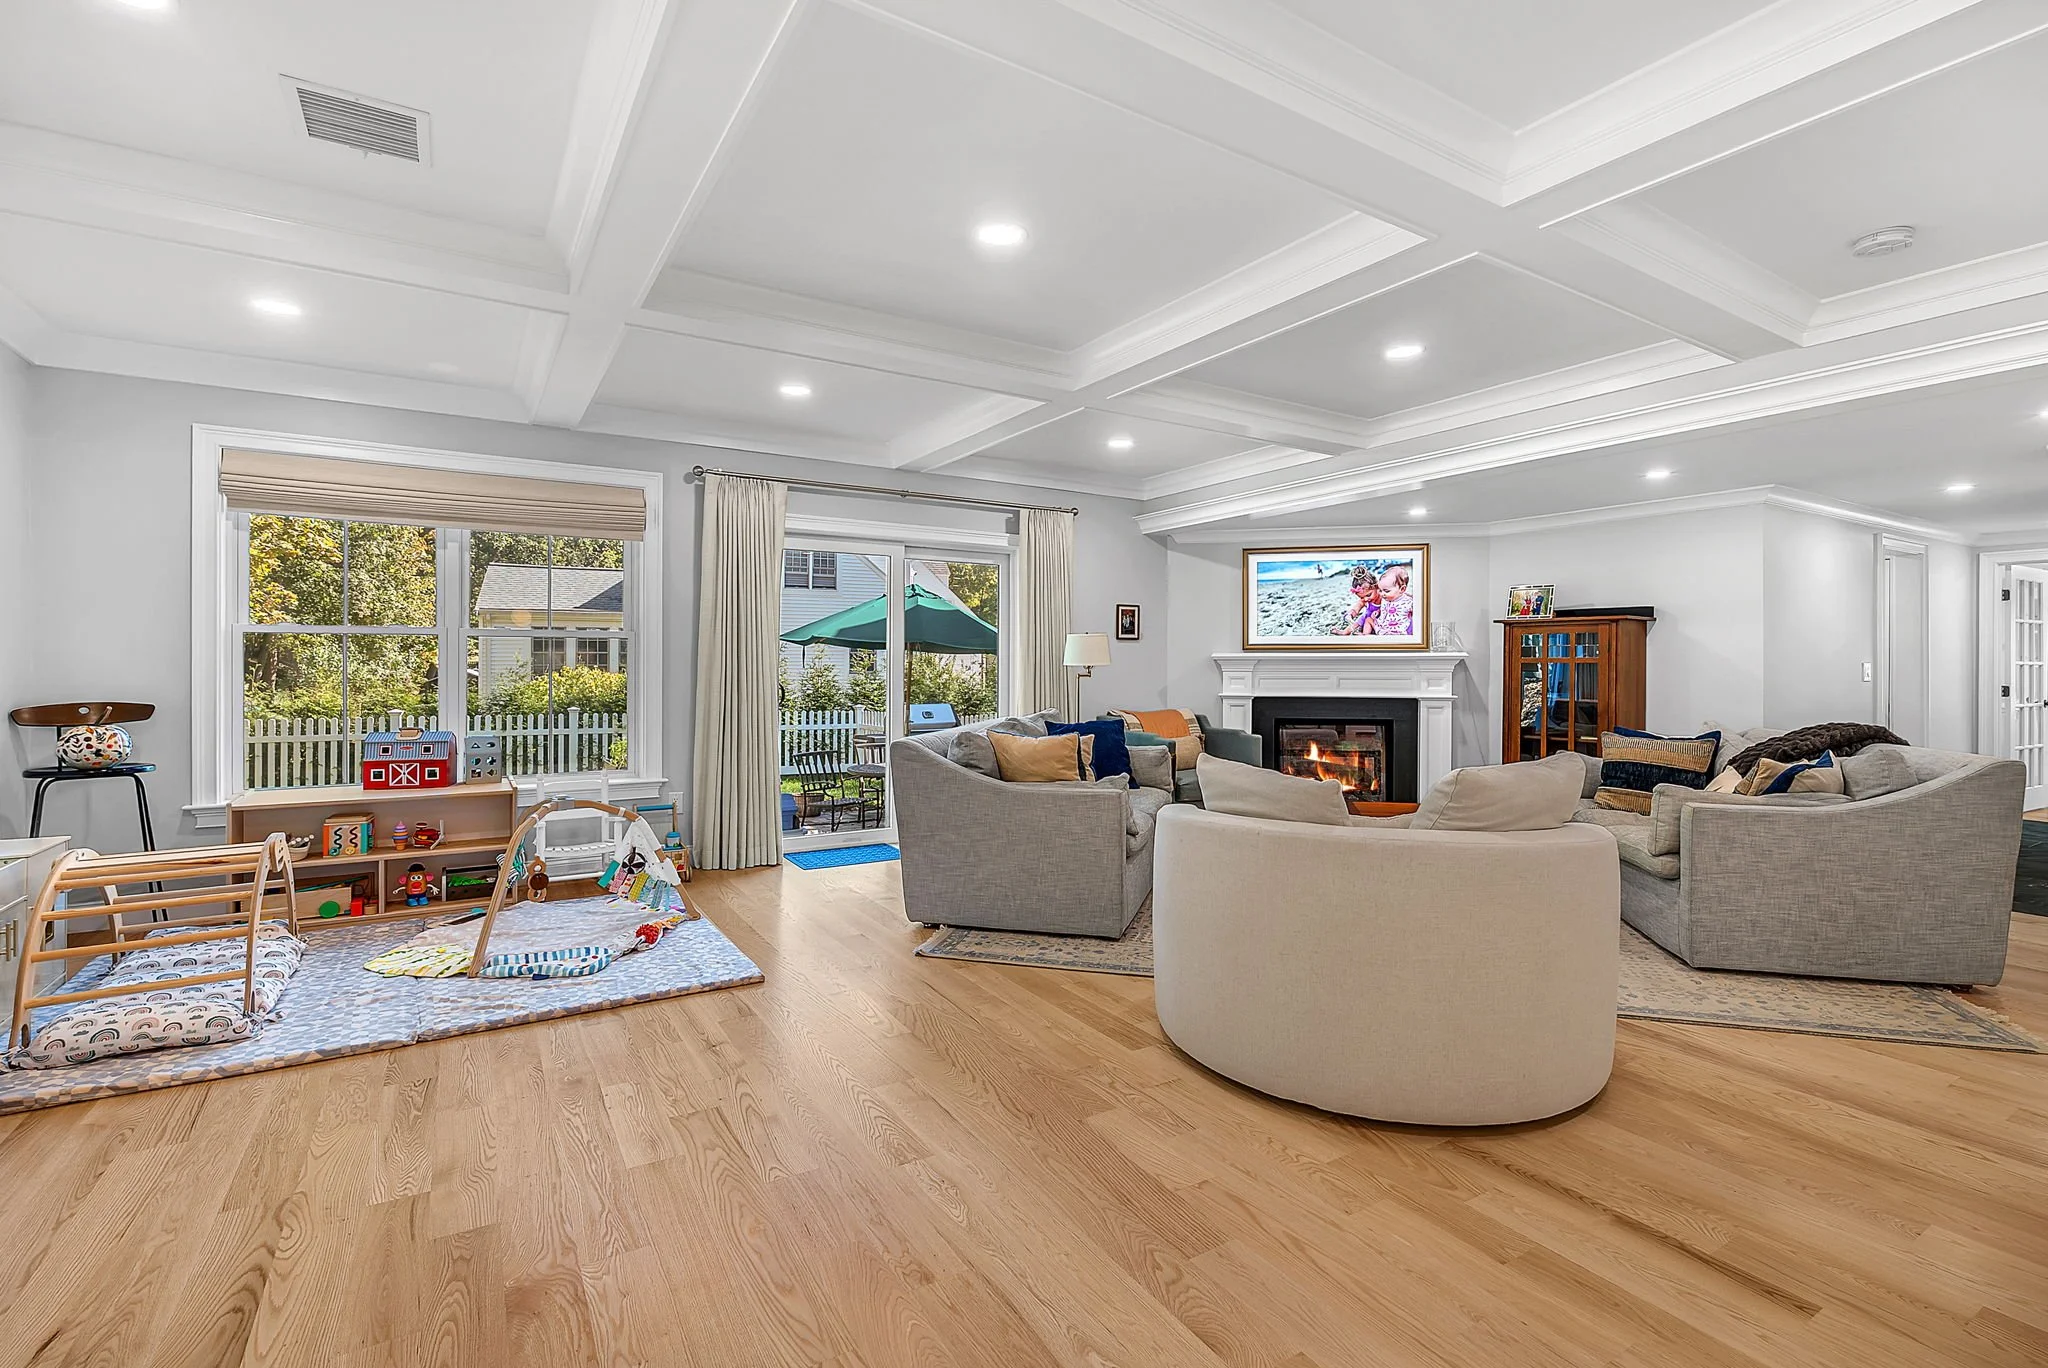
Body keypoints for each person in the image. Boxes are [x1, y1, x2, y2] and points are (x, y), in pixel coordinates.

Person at [1334, 564, 1381, 635]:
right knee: (1359, 620)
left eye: (1368, 595)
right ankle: (1345, 632)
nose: (1366, 599)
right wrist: (1350, 615)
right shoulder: (1364, 601)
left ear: (1376, 587)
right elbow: (1356, 609)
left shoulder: (1383, 596)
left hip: (1381, 619)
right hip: (1367, 620)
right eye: (1361, 597)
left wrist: (1379, 611)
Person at [1378, 564, 1416, 638]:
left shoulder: (1408, 602)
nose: (1382, 594)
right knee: (1369, 620)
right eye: (1380, 590)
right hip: (1383, 628)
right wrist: (1378, 612)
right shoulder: (1385, 599)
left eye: (1386, 591)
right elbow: (1384, 610)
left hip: (1399, 632)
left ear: (1402, 589)